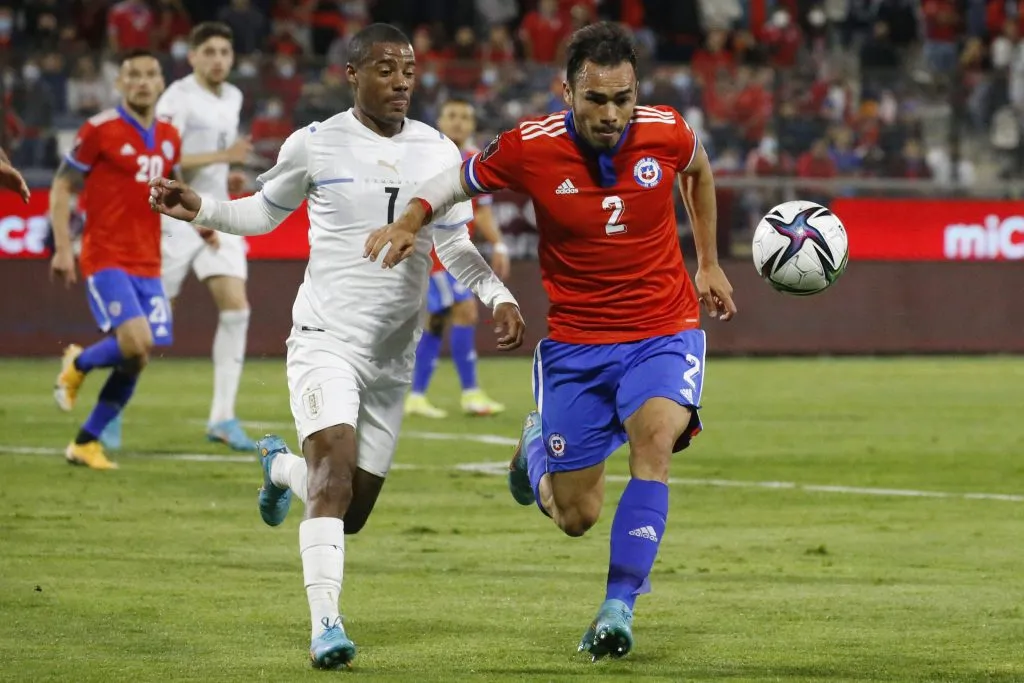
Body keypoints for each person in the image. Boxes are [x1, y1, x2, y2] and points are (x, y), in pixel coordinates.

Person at [148, 23, 525, 670]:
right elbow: (264, 213)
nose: (401, 80)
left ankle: (277, 468)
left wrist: (497, 295)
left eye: (407, 68)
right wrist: (202, 208)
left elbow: (456, 244)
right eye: (385, 68)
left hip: (393, 356)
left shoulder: (438, 150)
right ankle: (327, 625)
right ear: (351, 74)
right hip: (326, 339)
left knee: (348, 511)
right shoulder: (315, 143)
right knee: (333, 476)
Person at [364, 22, 737, 660]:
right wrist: (409, 220)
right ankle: (535, 445)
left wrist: (705, 261)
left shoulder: (667, 129)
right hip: (578, 344)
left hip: (662, 329)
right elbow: (456, 180)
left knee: (655, 446)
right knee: (576, 516)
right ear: (567, 92)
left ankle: (619, 606)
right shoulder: (527, 146)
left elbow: (698, 171)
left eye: (623, 98)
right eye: (597, 99)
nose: (613, 113)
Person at [99, 22, 255, 452]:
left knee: (237, 308)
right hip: (173, 218)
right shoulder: (178, 98)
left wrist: (228, 172)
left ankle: (223, 417)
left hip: (218, 213)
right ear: (192, 56)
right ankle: (109, 412)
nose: (219, 59)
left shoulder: (234, 97)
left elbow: (208, 163)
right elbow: (164, 155)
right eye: (210, 51)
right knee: (146, 323)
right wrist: (223, 158)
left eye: (225, 51)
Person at [50, 50, 183, 470]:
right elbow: (61, 186)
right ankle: (80, 362)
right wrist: (61, 247)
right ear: (119, 84)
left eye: (150, 74)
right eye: (134, 75)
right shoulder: (99, 130)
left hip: (149, 260)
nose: (143, 82)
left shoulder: (169, 136)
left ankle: (85, 443)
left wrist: (203, 225)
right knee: (136, 342)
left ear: (161, 82)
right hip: (105, 254)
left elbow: (167, 190)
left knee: (138, 356)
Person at [405, 98, 511, 419]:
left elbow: (483, 212)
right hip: (434, 249)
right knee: (465, 311)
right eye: (451, 115)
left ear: (473, 124)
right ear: (439, 120)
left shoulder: (477, 161)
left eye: (465, 116)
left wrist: (499, 244)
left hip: (451, 250)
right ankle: (470, 394)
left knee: (436, 321)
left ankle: (416, 396)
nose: (458, 122)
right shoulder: (427, 157)